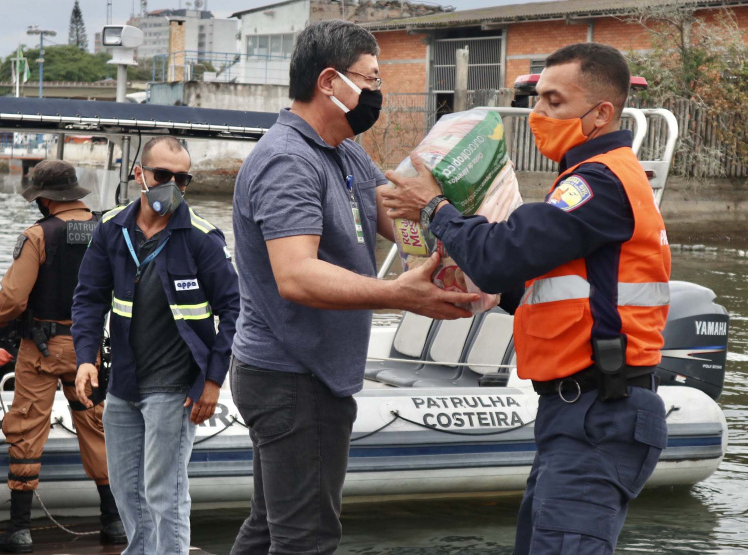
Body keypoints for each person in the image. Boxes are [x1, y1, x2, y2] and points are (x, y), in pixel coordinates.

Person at [381, 43, 671, 554]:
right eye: (536, 100)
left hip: (598, 414)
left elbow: (503, 254)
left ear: (601, 113)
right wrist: (471, 289)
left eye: (554, 102)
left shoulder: (599, 183)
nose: (538, 115)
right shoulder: (587, 180)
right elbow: (537, 282)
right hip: (579, 413)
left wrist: (433, 208)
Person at [229, 19, 478, 555]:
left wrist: (467, 232)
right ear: (328, 82)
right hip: (293, 375)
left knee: (270, 527)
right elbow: (296, 275)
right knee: (306, 539)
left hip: (300, 371)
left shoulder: (342, 150)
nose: (376, 92)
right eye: (369, 79)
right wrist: (399, 293)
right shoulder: (287, 160)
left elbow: (398, 217)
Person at [72, 136, 240, 555]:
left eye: (182, 179)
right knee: (128, 491)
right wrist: (84, 359)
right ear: (139, 175)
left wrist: (214, 381)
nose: (172, 186)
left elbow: (235, 310)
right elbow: (89, 298)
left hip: (174, 387)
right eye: (163, 175)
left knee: (165, 494)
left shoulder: (202, 238)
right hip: (124, 385)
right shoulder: (111, 229)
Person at [0, 160, 126, 552]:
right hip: (89, 347)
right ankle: (114, 522)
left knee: (26, 426)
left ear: (44, 199)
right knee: (95, 427)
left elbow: (12, 299)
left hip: (41, 348)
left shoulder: (37, 235)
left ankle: (19, 529)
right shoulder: (107, 229)